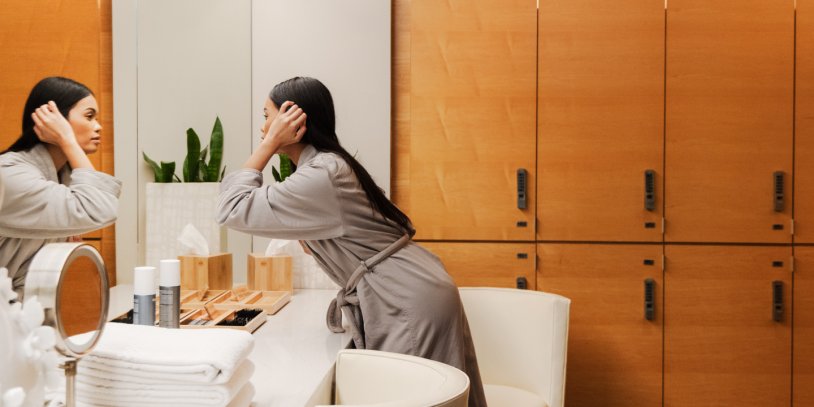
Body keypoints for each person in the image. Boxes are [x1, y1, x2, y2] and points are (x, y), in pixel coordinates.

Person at [216, 76, 487, 406]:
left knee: (412, 398)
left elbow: (231, 208)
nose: (264, 129)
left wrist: (268, 146)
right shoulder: (326, 166)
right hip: (409, 287)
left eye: (267, 116)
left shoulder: (322, 175)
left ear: (293, 119)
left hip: (405, 298)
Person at [0, 77, 121, 299]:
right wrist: (68, 140)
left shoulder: (58, 179)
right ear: (53, 120)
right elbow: (99, 208)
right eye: (89, 116)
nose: (98, 126)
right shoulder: (10, 176)